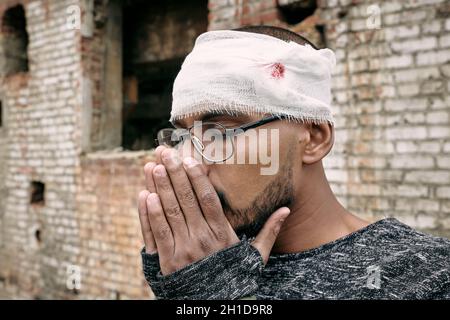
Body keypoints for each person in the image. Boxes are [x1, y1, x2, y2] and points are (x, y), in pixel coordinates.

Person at [137, 26, 450, 299]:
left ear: (314, 138)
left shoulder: (425, 275)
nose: (189, 159)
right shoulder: (194, 258)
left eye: (222, 128)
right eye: (184, 136)